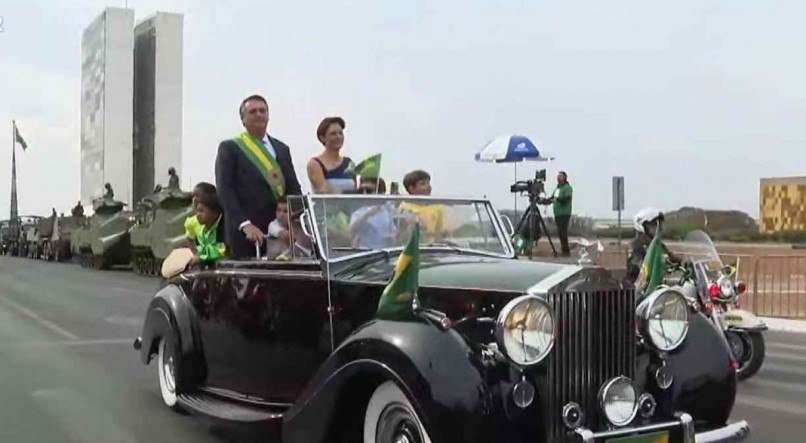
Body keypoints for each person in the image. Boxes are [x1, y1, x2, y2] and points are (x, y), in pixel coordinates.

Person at [215, 94, 302, 258]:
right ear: (243, 119)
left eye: (263, 110)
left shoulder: (282, 149)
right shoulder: (230, 148)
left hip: (279, 232)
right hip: (247, 234)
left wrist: (296, 223)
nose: (259, 114)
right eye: (252, 111)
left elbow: (293, 187)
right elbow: (225, 190)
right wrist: (244, 224)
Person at [627, 207, 681, 281]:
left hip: (658, 284)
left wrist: (683, 264)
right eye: (653, 224)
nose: (658, 228)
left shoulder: (659, 245)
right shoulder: (636, 245)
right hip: (640, 287)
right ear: (643, 226)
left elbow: (671, 258)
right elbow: (636, 267)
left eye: (659, 224)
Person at [306, 117, 356, 194]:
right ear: (322, 138)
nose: (338, 137)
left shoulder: (349, 163)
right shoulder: (315, 163)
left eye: (340, 133)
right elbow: (324, 193)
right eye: (333, 134)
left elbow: (356, 189)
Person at [398, 170, 447, 242]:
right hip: (411, 247)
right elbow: (401, 233)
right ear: (411, 188)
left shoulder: (438, 208)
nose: (428, 186)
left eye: (428, 183)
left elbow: (439, 233)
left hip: (431, 248)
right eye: (423, 184)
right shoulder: (404, 207)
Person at [350, 178, 397, 249]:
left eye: (368, 191)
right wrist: (366, 214)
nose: (364, 193)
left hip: (383, 253)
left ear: (380, 193)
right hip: (364, 253)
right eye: (361, 191)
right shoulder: (358, 213)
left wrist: (393, 236)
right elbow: (351, 231)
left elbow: (393, 230)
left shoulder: (387, 211)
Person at [188, 191, 227, 265]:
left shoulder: (224, 230)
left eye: (201, 211)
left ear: (215, 213)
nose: (197, 215)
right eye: (197, 211)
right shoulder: (201, 230)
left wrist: (203, 257)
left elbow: (225, 250)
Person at [185, 182, 217, 254]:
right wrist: (197, 255)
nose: (194, 200)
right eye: (193, 196)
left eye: (198, 196)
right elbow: (190, 239)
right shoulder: (191, 222)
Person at [549, 171, 573, 256]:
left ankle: (566, 251)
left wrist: (558, 199)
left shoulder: (567, 188)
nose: (558, 178)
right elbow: (552, 198)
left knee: (563, 232)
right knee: (560, 232)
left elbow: (567, 197)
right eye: (558, 176)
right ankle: (564, 249)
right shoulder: (557, 188)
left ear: (564, 178)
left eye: (560, 176)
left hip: (564, 213)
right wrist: (544, 201)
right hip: (557, 214)